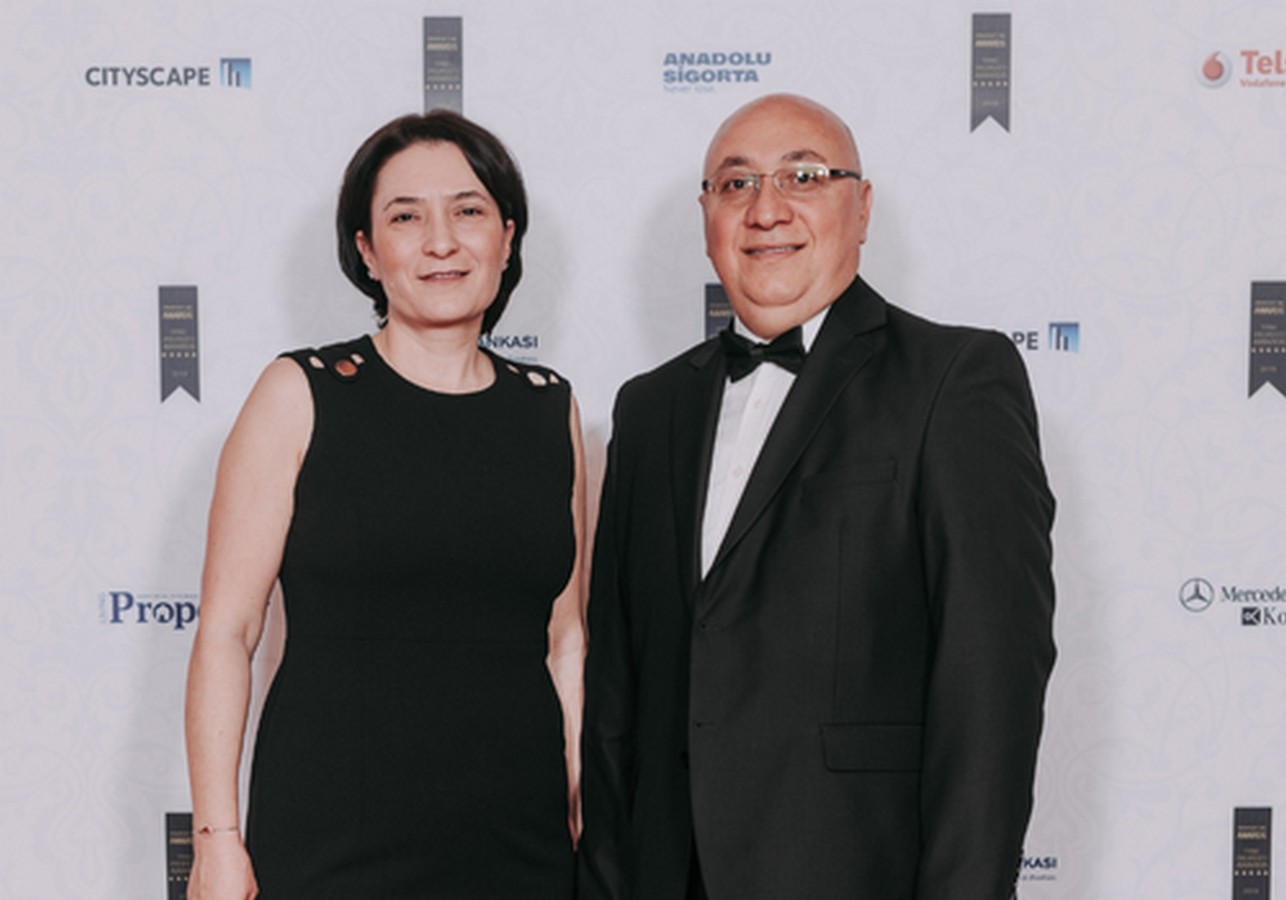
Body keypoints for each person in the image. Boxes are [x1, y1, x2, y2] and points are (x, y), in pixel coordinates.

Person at [578, 93, 1055, 900]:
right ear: (707, 216)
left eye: (803, 177)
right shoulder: (650, 408)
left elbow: (991, 685)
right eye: (736, 184)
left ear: (861, 207)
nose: (766, 209)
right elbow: (618, 694)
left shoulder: (954, 381)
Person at [184, 110, 585, 899]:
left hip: (520, 841)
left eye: (468, 211)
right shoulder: (299, 393)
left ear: (507, 237)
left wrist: (576, 809)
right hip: (334, 838)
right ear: (367, 250)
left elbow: (565, 638)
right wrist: (217, 840)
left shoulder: (550, 407)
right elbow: (228, 631)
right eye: (406, 217)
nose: (442, 241)